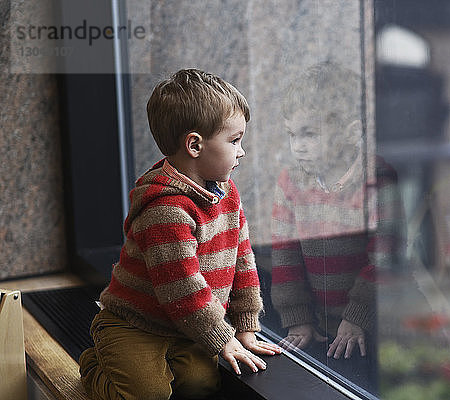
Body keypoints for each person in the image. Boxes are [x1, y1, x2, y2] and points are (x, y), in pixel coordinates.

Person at [79, 69, 282, 400]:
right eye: (234, 141)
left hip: (183, 325)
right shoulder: (165, 211)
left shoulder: (226, 194)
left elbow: (241, 258)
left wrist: (245, 325)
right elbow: (183, 289)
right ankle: (93, 367)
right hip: (135, 324)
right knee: (148, 394)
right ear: (195, 145)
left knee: (201, 384)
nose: (241, 151)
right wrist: (222, 336)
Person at [270, 62, 403, 387]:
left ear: (350, 131)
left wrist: (357, 316)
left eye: (309, 134)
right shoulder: (289, 183)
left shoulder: (377, 181)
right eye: (292, 134)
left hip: (374, 327)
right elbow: (284, 255)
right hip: (318, 328)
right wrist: (297, 318)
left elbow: (384, 256)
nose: (297, 145)